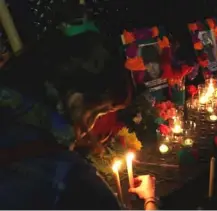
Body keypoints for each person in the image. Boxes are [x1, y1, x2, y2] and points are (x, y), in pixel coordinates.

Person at [0, 30, 157, 209]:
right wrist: (150, 200)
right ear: (76, 101)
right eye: (100, 113)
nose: (93, 125)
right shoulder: (69, 178)